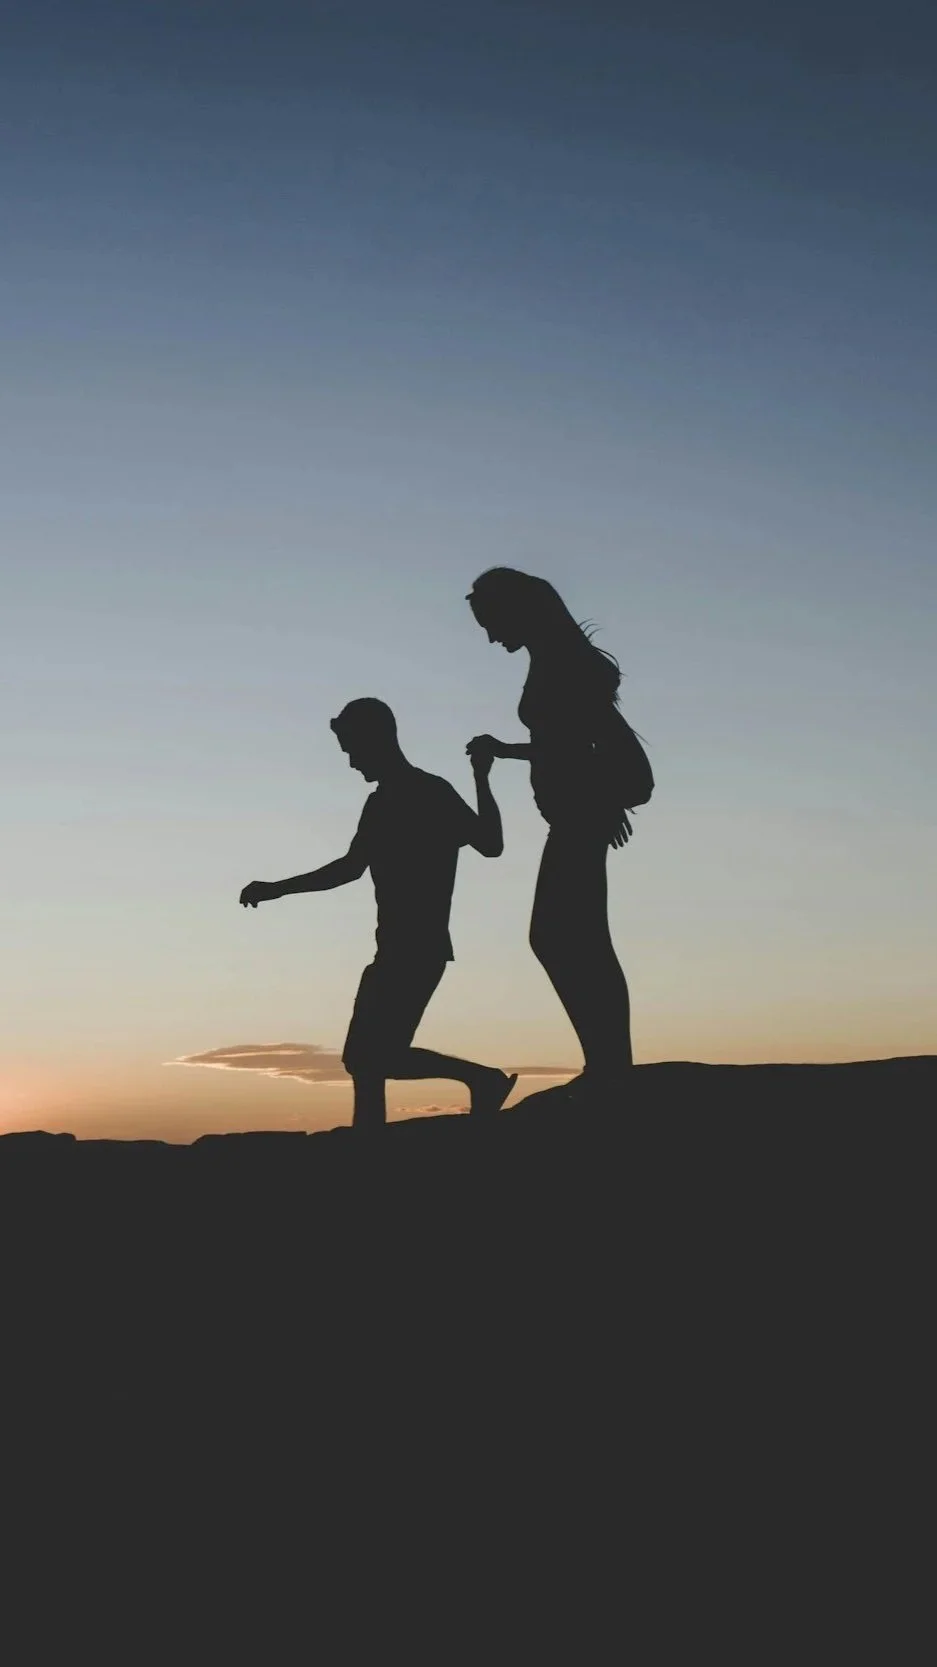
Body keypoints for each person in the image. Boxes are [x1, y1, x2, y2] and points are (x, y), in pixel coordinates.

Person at [239, 697, 517, 1130]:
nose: (351, 762)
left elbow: (491, 844)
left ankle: (481, 1079)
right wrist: (278, 889)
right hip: (398, 946)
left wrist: (482, 777)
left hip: (418, 947)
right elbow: (350, 868)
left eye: (353, 749)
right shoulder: (386, 801)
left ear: (378, 740)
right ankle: (390, 1128)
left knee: (371, 1058)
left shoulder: (427, 792)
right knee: (364, 1061)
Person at [466, 569, 647, 1105]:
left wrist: (600, 799)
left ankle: (610, 1065)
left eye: (491, 622)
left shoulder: (561, 664)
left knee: (566, 937)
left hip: (578, 816)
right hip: (573, 815)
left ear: (518, 611)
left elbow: (580, 744)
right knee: (576, 937)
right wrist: (507, 751)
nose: (490, 637)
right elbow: (562, 742)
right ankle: (608, 1062)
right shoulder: (550, 660)